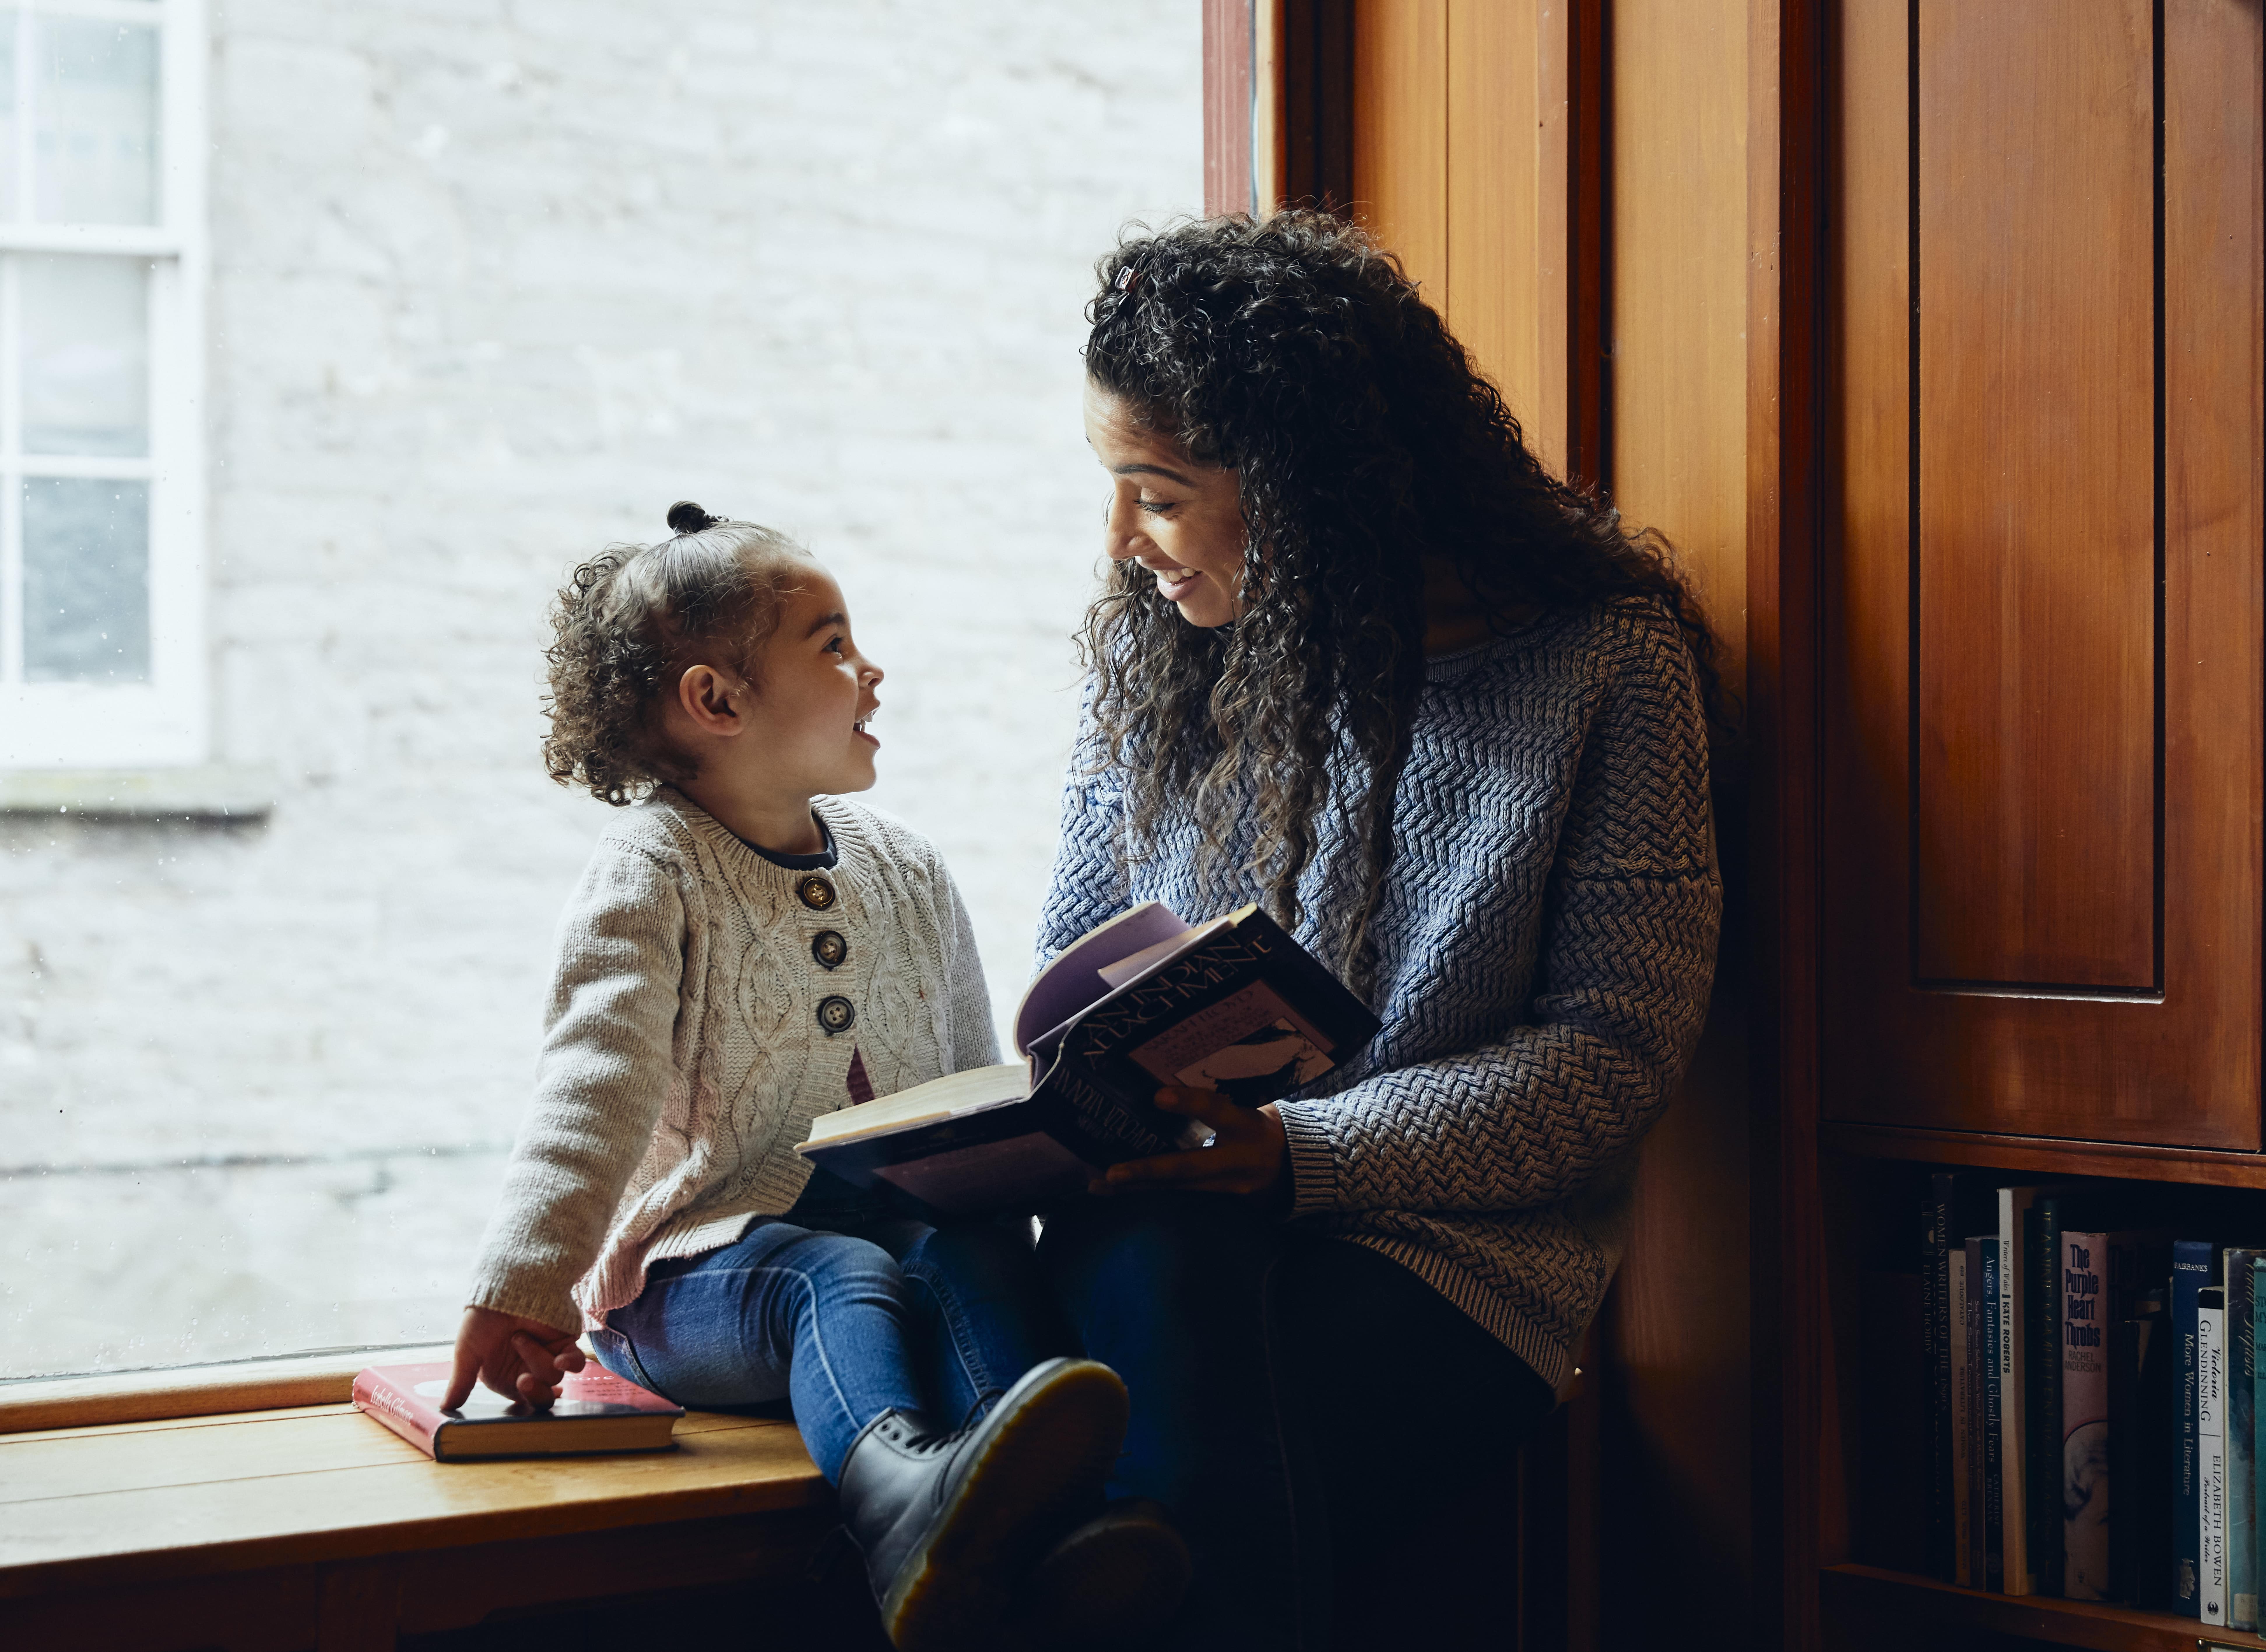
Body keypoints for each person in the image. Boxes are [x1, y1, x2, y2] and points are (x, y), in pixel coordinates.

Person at [1034, 213, 1726, 1649]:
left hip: (1453, 1264)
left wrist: (1298, 1154)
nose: (1123, 544)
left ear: (1297, 488)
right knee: (1136, 1274)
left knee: (1167, 1454)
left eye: (1156, 495)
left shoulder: (1600, 670)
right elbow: (1076, 982)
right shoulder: (1169, 666)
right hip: (1166, 1222)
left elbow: (1611, 1059)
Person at [447, 503, 1186, 1652]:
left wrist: (1065, 1139)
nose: (870, 669)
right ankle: (897, 1492)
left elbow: (961, 1079)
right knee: (830, 1269)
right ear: (718, 701)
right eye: (833, 644)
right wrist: (524, 1282)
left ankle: (1051, 1522)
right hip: (692, 1280)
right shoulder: (654, 871)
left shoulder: (907, 866)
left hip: (889, 1234)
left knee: (968, 1250)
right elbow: (591, 1086)